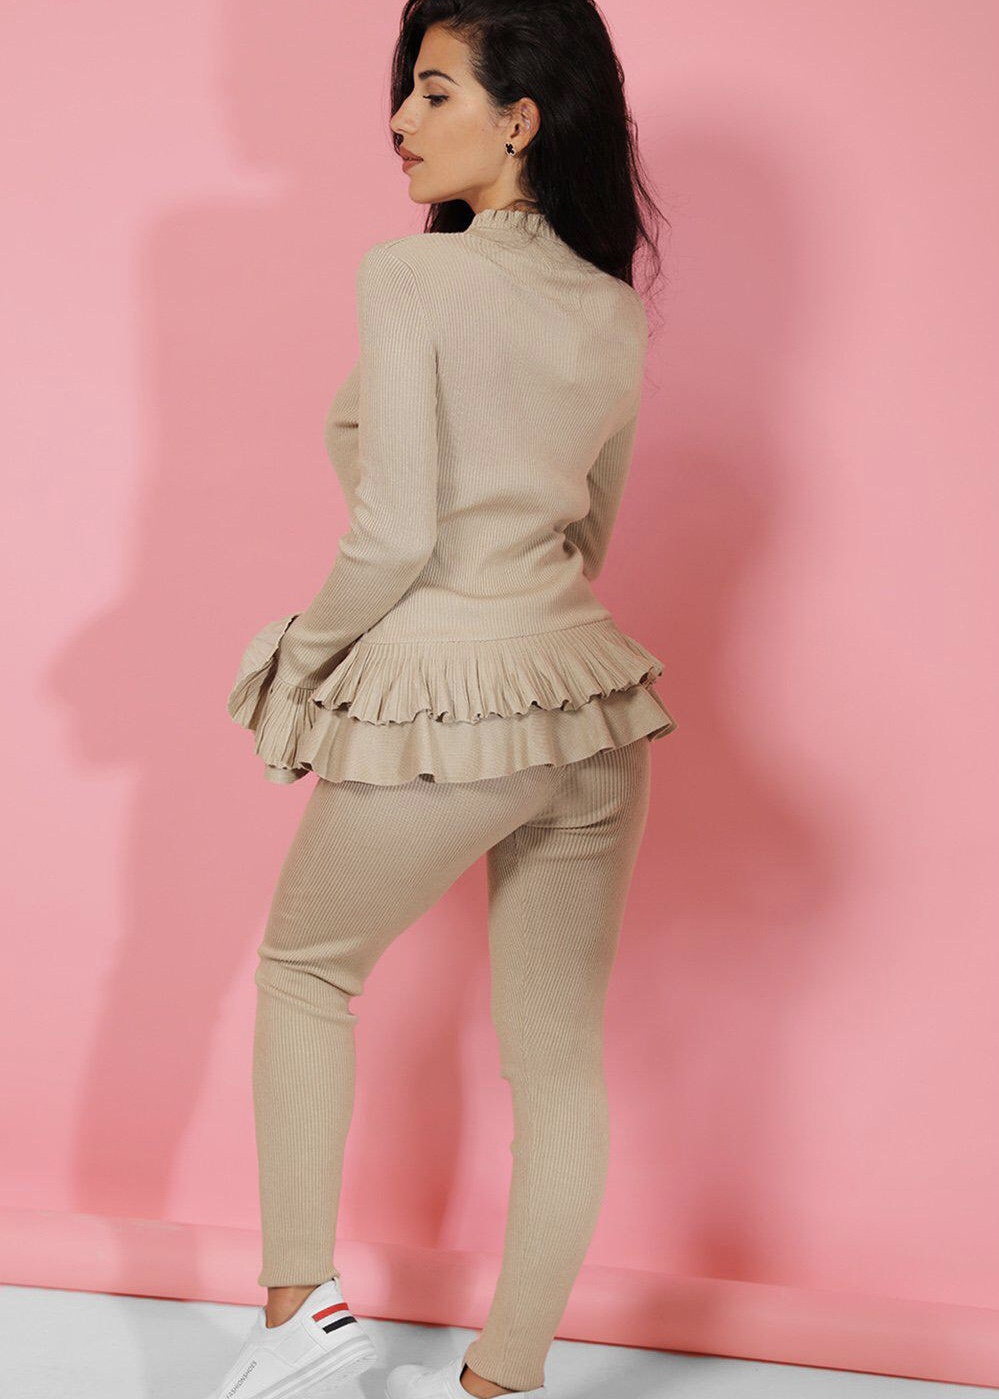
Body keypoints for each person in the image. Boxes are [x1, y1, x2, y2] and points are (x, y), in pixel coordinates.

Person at [207, 3, 677, 1397]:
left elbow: (397, 531)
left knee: (305, 973)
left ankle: (300, 1319)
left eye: (433, 90)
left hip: (450, 696)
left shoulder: (413, 278)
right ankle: (503, 1382)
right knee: (558, 1061)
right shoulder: (613, 311)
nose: (401, 122)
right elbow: (589, 535)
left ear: (519, 121)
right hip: (592, 700)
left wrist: (302, 657)